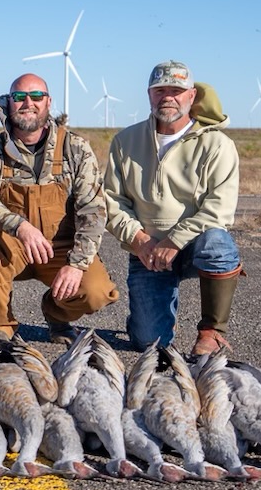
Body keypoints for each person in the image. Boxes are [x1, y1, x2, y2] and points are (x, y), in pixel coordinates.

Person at [0, 73, 119, 348]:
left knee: (97, 291)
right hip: (11, 245)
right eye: (19, 97)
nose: (27, 103)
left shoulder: (75, 148)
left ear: (48, 103)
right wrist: (20, 227)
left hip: (60, 248)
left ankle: (57, 313)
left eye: (36, 96)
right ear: (7, 103)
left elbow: (93, 210)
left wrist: (76, 264)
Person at [103, 60, 242, 356]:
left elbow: (220, 208)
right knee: (147, 343)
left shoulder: (217, 144)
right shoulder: (125, 141)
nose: (168, 97)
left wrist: (174, 240)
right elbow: (112, 200)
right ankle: (151, 318)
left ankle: (211, 333)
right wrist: (140, 240)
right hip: (147, 252)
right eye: (160, 90)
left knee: (219, 244)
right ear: (149, 95)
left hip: (195, 247)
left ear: (192, 96)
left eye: (176, 90)